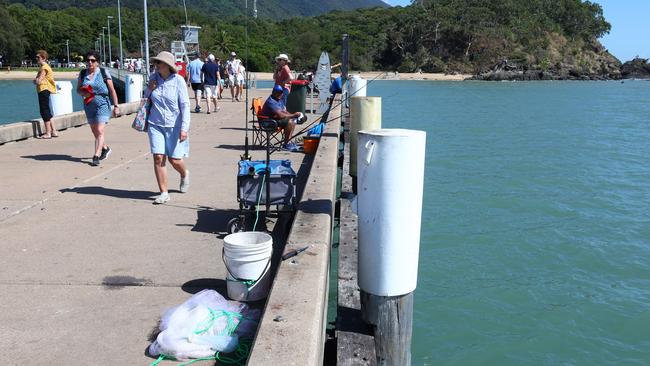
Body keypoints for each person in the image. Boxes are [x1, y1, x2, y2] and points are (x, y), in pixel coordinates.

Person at [145, 51, 191, 205]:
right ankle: (164, 192)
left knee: (175, 160)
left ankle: (184, 174)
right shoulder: (153, 78)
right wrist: (149, 89)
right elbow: (146, 98)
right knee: (158, 157)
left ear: (167, 65)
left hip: (174, 125)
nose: (156, 65)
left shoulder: (178, 81)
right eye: (155, 62)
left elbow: (185, 105)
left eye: (159, 63)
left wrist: (184, 128)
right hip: (155, 123)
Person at [77, 50, 119, 166]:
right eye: (88, 60)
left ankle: (96, 155)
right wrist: (83, 92)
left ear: (97, 62)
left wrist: (116, 106)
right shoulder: (83, 73)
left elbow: (112, 90)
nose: (90, 62)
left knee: (100, 130)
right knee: (95, 131)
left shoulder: (104, 72)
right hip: (89, 104)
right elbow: (78, 90)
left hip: (102, 104)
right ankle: (105, 148)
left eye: (93, 60)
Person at [261, 85, 306, 152]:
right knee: (290, 121)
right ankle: (286, 143)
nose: (281, 94)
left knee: (293, 120)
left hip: (275, 120)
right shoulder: (271, 101)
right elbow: (280, 115)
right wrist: (293, 115)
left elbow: (284, 111)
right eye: (278, 92)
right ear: (273, 92)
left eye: (281, 92)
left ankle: (288, 142)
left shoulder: (279, 100)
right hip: (269, 122)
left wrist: (294, 115)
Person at [33, 50, 59, 139]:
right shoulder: (44, 67)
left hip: (43, 90)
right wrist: (36, 80)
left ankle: (48, 133)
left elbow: (39, 80)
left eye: (38, 57)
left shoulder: (44, 67)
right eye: (36, 57)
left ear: (44, 58)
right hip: (45, 90)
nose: (36, 59)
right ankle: (54, 131)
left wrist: (35, 81)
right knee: (47, 110)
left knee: (44, 111)